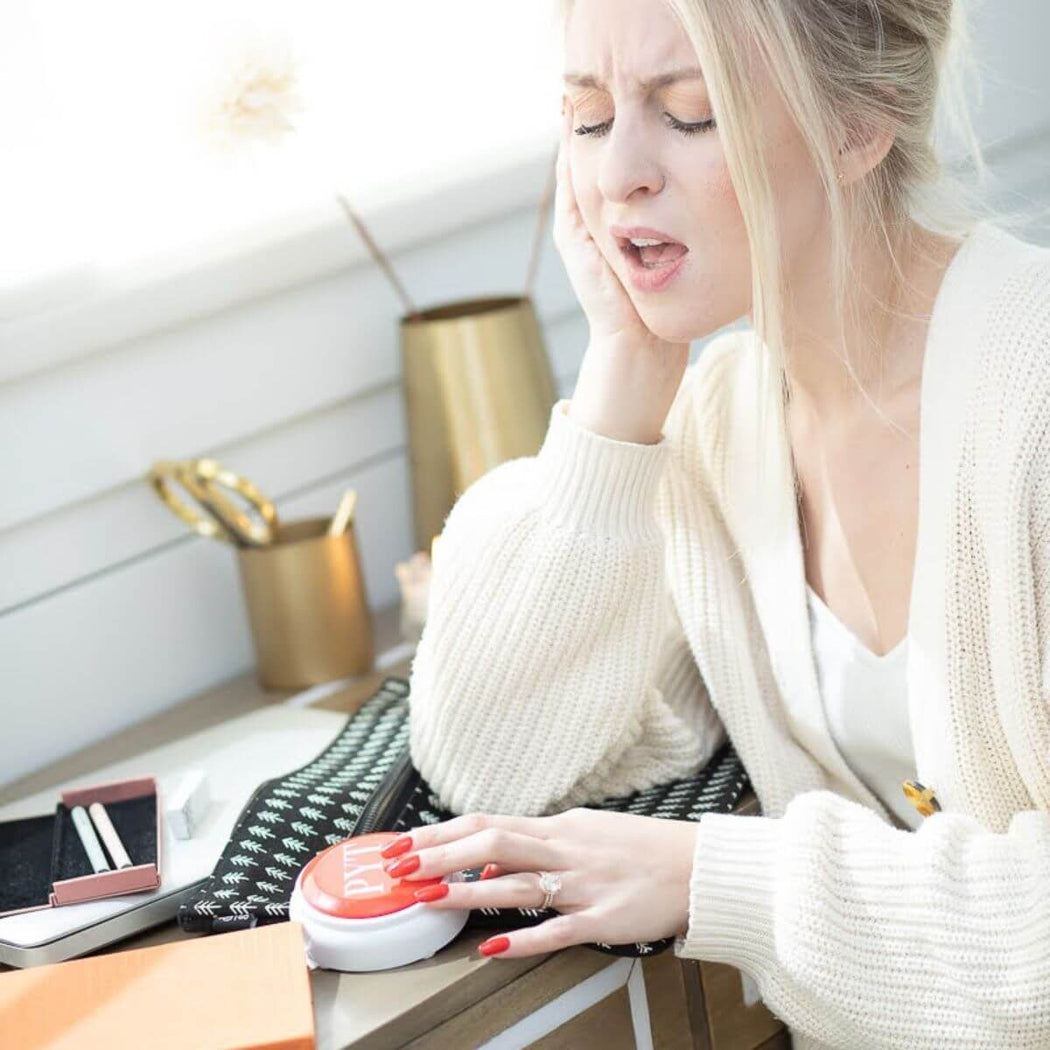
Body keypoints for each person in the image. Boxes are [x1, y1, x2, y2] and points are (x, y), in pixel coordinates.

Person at [382, 1, 1050, 1046]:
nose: (618, 178)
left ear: (859, 124)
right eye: (590, 117)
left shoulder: (1033, 396)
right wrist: (625, 376)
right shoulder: (719, 429)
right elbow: (491, 759)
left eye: (688, 114)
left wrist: (715, 878)